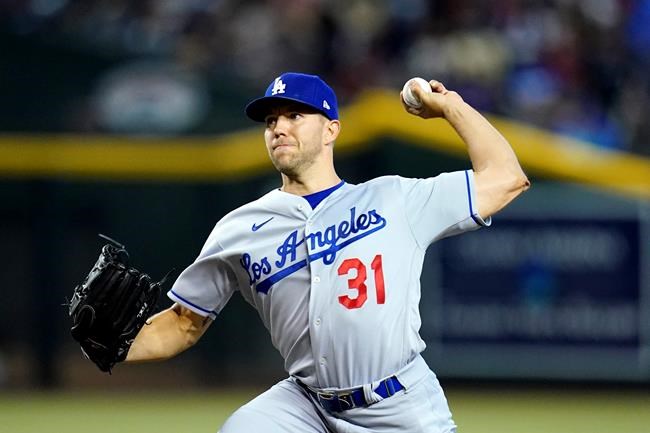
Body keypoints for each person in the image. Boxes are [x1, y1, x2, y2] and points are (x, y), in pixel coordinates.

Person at [125, 72, 530, 432]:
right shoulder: (238, 228)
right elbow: (182, 324)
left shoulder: (394, 199)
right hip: (305, 405)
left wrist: (450, 107)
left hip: (399, 406)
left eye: (294, 116)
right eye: (271, 121)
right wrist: (112, 346)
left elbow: (506, 178)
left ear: (331, 130)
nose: (279, 128)